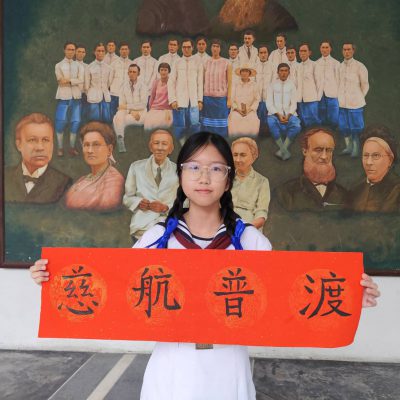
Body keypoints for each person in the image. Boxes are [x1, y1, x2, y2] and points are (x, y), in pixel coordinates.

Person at [31, 131, 380, 400]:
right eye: (194, 167)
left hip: (229, 369)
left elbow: (285, 300)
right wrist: (53, 278)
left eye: (215, 169)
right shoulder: (157, 238)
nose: (204, 178)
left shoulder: (250, 241)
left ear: (228, 179)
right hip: (172, 370)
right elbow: (117, 289)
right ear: (180, 175)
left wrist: (352, 295)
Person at [123, 129, 178, 241]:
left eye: (164, 144)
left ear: (171, 149)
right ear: (150, 146)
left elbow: (186, 201)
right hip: (141, 228)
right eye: (156, 143)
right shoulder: (136, 167)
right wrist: (138, 202)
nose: (159, 148)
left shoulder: (179, 171)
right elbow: (127, 198)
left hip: (170, 228)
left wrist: (166, 207)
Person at [5, 113, 71, 203]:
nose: (40, 147)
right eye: (32, 140)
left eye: (45, 140)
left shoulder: (64, 183)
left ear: (52, 143)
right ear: (18, 144)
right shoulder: (4, 177)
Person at [276, 127, 347, 211]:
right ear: (305, 151)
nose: (324, 156)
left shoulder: (344, 194)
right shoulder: (285, 192)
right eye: (318, 150)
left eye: (329, 150)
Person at [64, 121, 124, 211]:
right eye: (86, 145)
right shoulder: (82, 180)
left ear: (109, 149)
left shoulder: (114, 181)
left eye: (96, 145)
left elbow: (107, 206)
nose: (90, 150)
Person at [347, 126, 400, 212]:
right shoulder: (355, 189)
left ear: (390, 160)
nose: (369, 162)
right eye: (366, 155)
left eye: (376, 156)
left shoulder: (397, 190)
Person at [168, 38, 203, 145]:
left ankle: (194, 145)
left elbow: (200, 82)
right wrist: (173, 100)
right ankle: (180, 145)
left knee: (195, 124)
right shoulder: (177, 62)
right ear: (181, 48)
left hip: (193, 100)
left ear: (192, 48)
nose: (186, 49)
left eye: (188, 47)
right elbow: (171, 82)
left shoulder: (198, 62)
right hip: (180, 100)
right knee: (179, 125)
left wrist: (200, 100)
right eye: (184, 47)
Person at [338, 42, 369, 158]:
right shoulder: (339, 67)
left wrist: (359, 97)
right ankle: (348, 147)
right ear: (342, 51)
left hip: (355, 104)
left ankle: (356, 148)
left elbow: (365, 85)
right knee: (344, 126)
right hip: (342, 103)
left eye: (349, 50)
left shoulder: (360, 66)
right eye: (344, 50)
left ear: (353, 51)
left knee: (356, 127)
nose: (346, 52)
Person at [231, 137, 270, 230]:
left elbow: (261, 214)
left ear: (254, 156)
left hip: (249, 228)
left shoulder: (262, 182)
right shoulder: (225, 178)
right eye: (235, 155)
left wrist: (245, 230)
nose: (238, 159)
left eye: (243, 155)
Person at [54, 41, 84, 157]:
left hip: (76, 97)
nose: (71, 52)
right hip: (63, 97)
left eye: (73, 50)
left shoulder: (79, 66)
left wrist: (69, 80)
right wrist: (73, 80)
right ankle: (60, 148)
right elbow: (60, 81)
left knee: (76, 121)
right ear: (64, 50)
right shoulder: (58, 65)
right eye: (69, 49)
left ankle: (71, 148)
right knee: (61, 121)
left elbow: (81, 80)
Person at [266, 63, 301, 160]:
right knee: (271, 123)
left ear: (289, 72)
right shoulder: (272, 85)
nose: (283, 73)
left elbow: (294, 104)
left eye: (286, 71)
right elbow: (269, 103)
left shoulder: (292, 85)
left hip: (290, 114)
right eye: (281, 71)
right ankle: (284, 150)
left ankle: (283, 149)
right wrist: (278, 115)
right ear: (277, 72)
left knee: (297, 126)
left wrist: (288, 115)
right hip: (274, 114)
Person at [113, 64, 148, 152]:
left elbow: (143, 105)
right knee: (119, 115)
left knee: (116, 119)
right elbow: (121, 104)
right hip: (129, 112)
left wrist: (128, 107)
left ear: (138, 74)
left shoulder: (143, 86)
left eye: (134, 72)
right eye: (130, 72)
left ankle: (120, 138)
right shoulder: (123, 86)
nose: (132, 74)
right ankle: (120, 139)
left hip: (140, 114)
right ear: (128, 73)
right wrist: (131, 111)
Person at [201, 39, 232, 137]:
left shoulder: (227, 62)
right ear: (210, 48)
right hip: (207, 99)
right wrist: (200, 99)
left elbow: (230, 82)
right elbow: (202, 81)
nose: (215, 48)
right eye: (213, 46)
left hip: (221, 99)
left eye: (217, 46)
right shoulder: (205, 62)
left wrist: (229, 99)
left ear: (220, 48)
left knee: (221, 126)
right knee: (207, 126)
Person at [228, 64, 260, 137]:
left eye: (246, 71)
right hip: (236, 110)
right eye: (242, 71)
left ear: (249, 73)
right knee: (235, 118)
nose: (244, 73)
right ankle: (235, 140)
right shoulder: (235, 84)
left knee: (253, 119)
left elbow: (256, 99)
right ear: (240, 73)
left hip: (250, 110)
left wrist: (249, 110)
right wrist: (238, 110)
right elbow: (232, 98)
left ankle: (250, 139)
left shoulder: (254, 85)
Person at [85, 42, 113, 123]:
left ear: (105, 52)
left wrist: (104, 90)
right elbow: (86, 85)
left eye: (102, 51)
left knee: (107, 120)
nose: (100, 53)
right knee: (94, 119)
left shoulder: (109, 68)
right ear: (94, 52)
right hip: (93, 96)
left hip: (105, 96)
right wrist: (91, 94)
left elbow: (109, 83)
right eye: (98, 51)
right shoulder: (89, 67)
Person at [315, 41, 340, 129]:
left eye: (327, 47)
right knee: (321, 118)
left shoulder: (336, 63)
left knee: (334, 119)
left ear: (330, 49)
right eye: (323, 47)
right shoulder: (316, 63)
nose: (325, 50)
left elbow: (339, 80)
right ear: (320, 49)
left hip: (332, 95)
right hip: (320, 95)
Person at [296, 43, 322, 128]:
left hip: (312, 99)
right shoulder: (298, 66)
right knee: (304, 120)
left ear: (309, 52)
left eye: (304, 51)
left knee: (314, 120)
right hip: (301, 99)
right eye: (301, 51)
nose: (302, 53)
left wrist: (317, 98)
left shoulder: (314, 65)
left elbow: (319, 82)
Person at [144, 63, 173, 132]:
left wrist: (169, 110)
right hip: (155, 108)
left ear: (169, 71)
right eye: (161, 70)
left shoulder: (171, 82)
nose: (163, 72)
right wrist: (150, 109)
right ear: (159, 71)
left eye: (165, 70)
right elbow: (152, 96)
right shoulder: (156, 82)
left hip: (167, 110)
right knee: (148, 122)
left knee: (162, 123)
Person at [109, 42, 133, 118]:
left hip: (127, 95)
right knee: (113, 116)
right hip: (115, 94)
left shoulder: (132, 64)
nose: (124, 51)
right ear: (119, 51)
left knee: (125, 116)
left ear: (129, 51)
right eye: (122, 49)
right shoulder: (113, 64)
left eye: (126, 49)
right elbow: (109, 80)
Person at [255, 44, 273, 135]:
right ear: (258, 54)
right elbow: (253, 82)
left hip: (268, 97)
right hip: (257, 96)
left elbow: (274, 82)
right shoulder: (254, 66)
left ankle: (268, 132)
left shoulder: (272, 66)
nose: (263, 55)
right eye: (261, 53)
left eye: (265, 52)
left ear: (268, 54)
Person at [75, 44, 89, 124]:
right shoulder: (71, 65)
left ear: (85, 54)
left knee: (85, 116)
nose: (81, 54)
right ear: (75, 52)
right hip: (74, 95)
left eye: (83, 52)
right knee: (75, 117)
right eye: (79, 51)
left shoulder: (88, 66)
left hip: (85, 95)